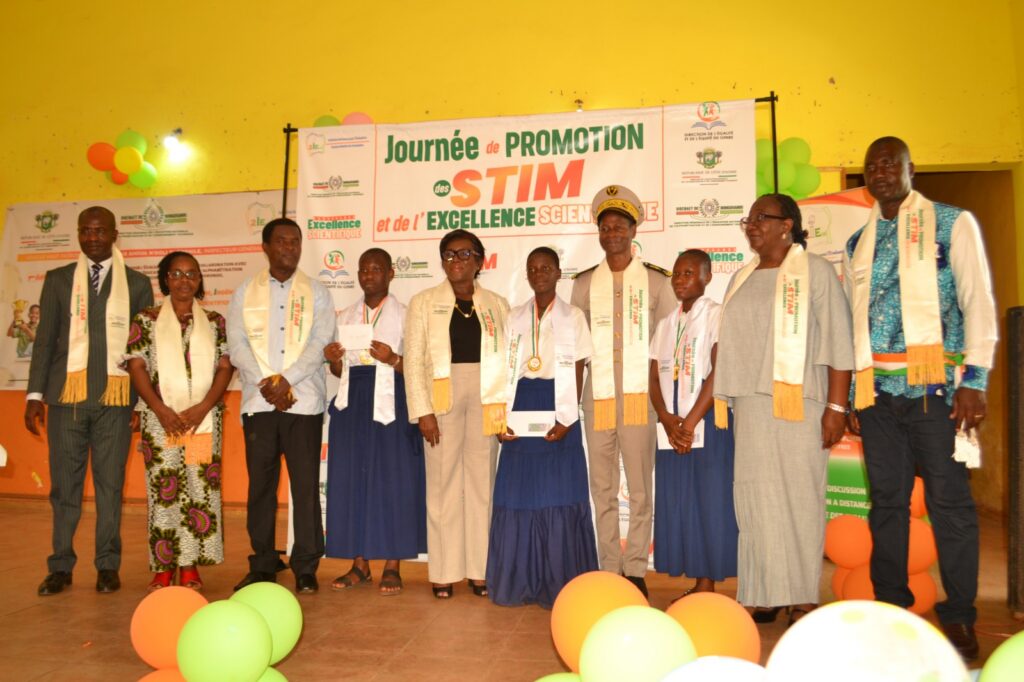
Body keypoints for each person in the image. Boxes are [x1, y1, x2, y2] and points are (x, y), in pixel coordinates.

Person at [843, 137, 998, 660]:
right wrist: (854, 394)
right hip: (878, 396)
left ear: (912, 169)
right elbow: (855, 322)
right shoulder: (857, 242)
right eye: (872, 166)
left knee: (949, 503)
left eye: (891, 163)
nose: (881, 172)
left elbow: (978, 302)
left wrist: (974, 380)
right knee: (887, 504)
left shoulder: (952, 224)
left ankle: (960, 615)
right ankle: (892, 608)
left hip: (936, 390)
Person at [714, 193, 853, 625]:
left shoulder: (815, 271)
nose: (752, 225)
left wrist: (836, 405)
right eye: (748, 219)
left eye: (762, 218)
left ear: (787, 225)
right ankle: (765, 591)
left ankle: (802, 594)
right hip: (751, 405)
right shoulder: (741, 277)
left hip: (801, 402)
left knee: (799, 497)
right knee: (756, 498)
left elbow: (839, 340)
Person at [26, 206, 154, 596]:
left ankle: (107, 565)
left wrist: (140, 403)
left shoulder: (137, 284)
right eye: (85, 230)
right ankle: (60, 566)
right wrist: (34, 395)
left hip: (116, 402)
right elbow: (44, 340)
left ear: (115, 235)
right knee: (64, 488)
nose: (92, 237)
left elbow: (142, 350)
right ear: (79, 234)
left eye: (100, 231)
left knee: (110, 486)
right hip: (66, 400)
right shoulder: (58, 280)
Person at [570, 185, 676, 597]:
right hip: (597, 397)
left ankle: (635, 569)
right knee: (602, 487)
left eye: (619, 226)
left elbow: (667, 346)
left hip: (638, 398)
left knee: (640, 486)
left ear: (634, 231)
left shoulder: (657, 282)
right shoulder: (583, 284)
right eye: (605, 227)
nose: (611, 233)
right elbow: (577, 348)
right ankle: (609, 567)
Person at [227, 217, 335, 595]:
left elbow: (321, 341)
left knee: (304, 488)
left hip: (303, 403)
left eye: (295, 242)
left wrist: (287, 380)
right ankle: (262, 563)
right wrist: (269, 382)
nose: (289, 248)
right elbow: (237, 344)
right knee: (261, 488)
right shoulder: (245, 292)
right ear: (266, 247)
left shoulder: (317, 292)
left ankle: (306, 565)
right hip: (259, 403)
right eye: (282, 241)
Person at [487, 247, 598, 608]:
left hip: (559, 406)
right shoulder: (514, 316)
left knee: (557, 493)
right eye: (533, 269)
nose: (539, 274)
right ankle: (518, 582)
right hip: (519, 405)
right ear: (527, 274)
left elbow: (579, 366)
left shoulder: (573, 316)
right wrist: (499, 417)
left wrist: (567, 415)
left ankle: (559, 584)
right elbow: (501, 371)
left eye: (546, 268)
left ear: (558, 273)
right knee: (518, 493)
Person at [404, 229, 510, 599]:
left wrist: (502, 411)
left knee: (482, 486)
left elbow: (507, 362)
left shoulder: (497, 303)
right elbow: (413, 361)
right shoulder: (423, 302)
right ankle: (444, 572)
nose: (456, 261)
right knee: (442, 485)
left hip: (486, 396)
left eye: (465, 254)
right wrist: (423, 411)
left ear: (479, 261)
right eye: (449, 254)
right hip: (441, 396)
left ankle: (480, 571)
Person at [124, 252, 233, 591]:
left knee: (199, 491)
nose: (184, 280)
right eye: (177, 274)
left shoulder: (214, 322)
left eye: (191, 274)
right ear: (165, 279)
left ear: (200, 280)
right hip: (161, 421)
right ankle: (163, 566)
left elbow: (225, 367)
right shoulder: (146, 320)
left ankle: (189, 566)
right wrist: (159, 409)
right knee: (164, 491)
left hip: (202, 421)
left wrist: (203, 407)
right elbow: (136, 366)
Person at [323, 248, 426, 596]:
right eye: (363, 270)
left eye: (376, 269)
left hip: (393, 400)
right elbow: (340, 370)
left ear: (391, 273)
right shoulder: (346, 315)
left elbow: (419, 367)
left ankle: (392, 565)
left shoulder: (407, 315)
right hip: (353, 403)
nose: (369, 275)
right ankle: (360, 564)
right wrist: (333, 360)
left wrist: (394, 358)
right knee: (354, 481)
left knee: (393, 481)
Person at [649, 249, 737, 599]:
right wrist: (667, 419)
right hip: (672, 426)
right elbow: (653, 376)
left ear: (706, 277)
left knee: (707, 500)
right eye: (677, 274)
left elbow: (719, 370)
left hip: (707, 421)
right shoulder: (666, 324)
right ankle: (696, 578)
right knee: (681, 500)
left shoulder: (716, 314)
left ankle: (707, 582)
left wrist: (689, 423)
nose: (680, 280)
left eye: (688, 273)